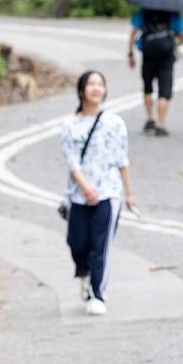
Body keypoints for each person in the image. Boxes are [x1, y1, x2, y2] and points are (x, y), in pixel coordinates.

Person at [61, 71, 136, 317]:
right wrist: (85, 188)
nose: (96, 88)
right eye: (91, 84)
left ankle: (98, 294)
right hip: (79, 194)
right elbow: (72, 161)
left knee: (100, 245)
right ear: (81, 90)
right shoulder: (70, 125)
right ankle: (83, 274)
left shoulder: (114, 122)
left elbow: (122, 159)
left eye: (100, 84)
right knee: (77, 243)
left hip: (108, 192)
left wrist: (129, 193)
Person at [127, 8, 183, 136]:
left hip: (148, 55)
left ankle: (150, 119)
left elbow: (133, 33)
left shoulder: (144, 11)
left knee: (147, 88)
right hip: (166, 57)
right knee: (164, 91)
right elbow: (182, 36)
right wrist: (174, 42)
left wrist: (130, 54)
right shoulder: (174, 13)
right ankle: (161, 124)